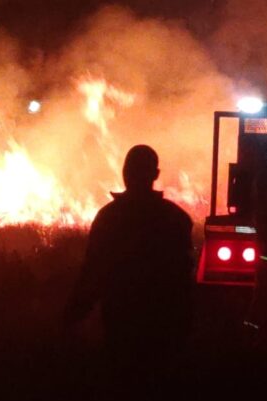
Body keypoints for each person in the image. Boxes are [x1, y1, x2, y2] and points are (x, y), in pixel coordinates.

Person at [64, 144, 194, 364]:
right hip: (164, 320)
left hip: (122, 317)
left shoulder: (109, 217)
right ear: (155, 174)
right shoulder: (176, 218)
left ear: (125, 173)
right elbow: (184, 273)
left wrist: (75, 312)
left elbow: (94, 269)